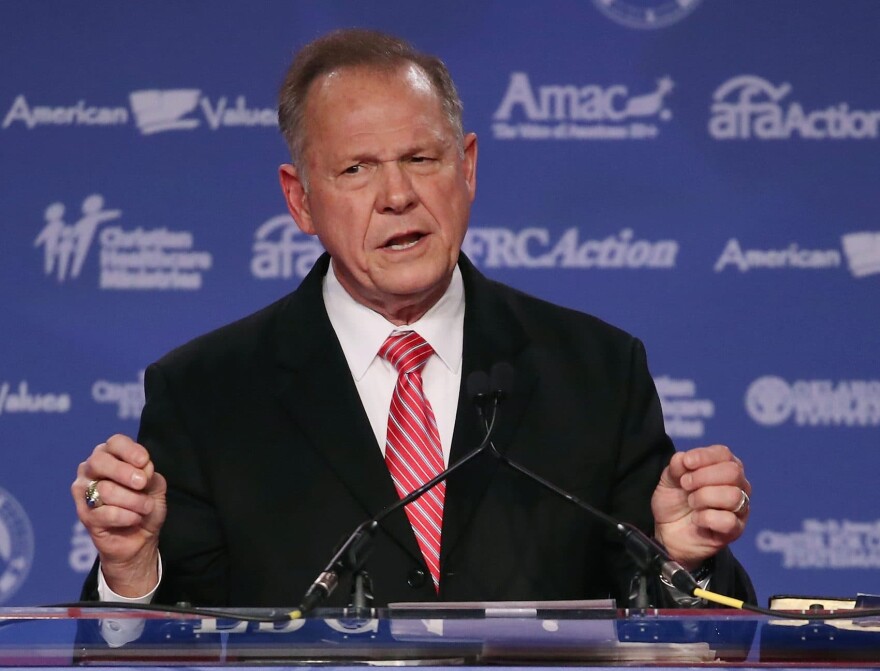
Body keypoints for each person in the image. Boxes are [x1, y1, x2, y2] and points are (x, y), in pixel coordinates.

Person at [72, 29, 754, 609]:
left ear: (468, 170)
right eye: (357, 169)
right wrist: (131, 572)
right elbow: (165, 646)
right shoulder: (204, 394)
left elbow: (679, 631)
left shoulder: (596, 371)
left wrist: (682, 559)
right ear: (300, 200)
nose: (397, 195)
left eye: (421, 159)